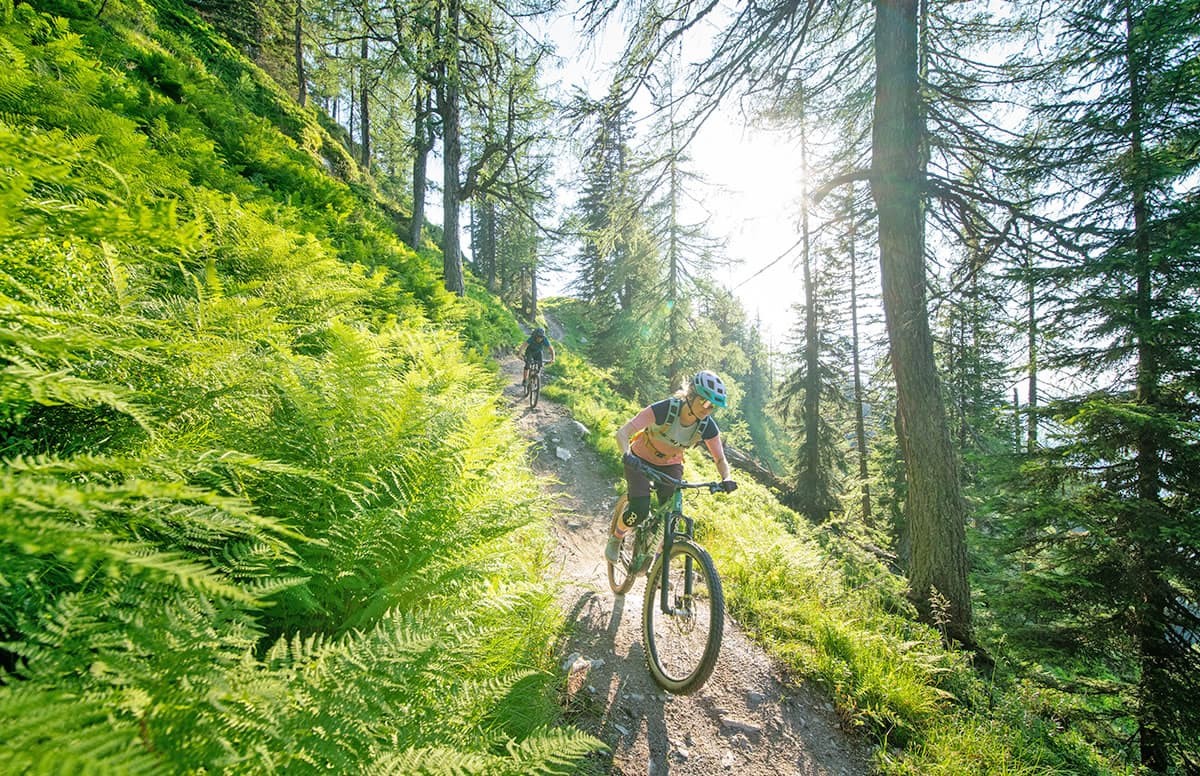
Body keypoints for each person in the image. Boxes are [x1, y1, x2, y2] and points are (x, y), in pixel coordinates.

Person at [606, 370, 738, 563]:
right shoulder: (664, 409)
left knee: (673, 518)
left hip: (670, 464)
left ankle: (658, 561)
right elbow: (623, 433)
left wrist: (726, 478)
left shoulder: (708, 427)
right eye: (705, 402)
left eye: (712, 407)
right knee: (639, 510)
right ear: (691, 395)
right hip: (640, 459)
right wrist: (627, 455)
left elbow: (720, 459)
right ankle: (617, 537)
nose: (707, 410)